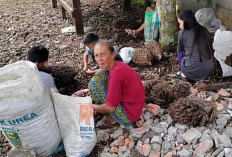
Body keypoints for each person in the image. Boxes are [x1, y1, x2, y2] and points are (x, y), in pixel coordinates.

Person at [88, 41, 145, 128]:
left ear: (113, 54)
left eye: (103, 54)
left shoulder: (116, 74)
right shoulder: (117, 65)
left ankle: (112, 119)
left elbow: (110, 107)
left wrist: (89, 107)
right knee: (101, 74)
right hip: (135, 107)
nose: (99, 59)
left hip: (129, 115)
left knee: (94, 84)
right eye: (96, 55)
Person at [176, 10, 214, 82]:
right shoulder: (204, 30)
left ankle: (184, 74)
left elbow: (180, 54)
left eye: (180, 23)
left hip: (191, 70)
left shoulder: (182, 33)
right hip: (209, 68)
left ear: (185, 21)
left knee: (184, 60)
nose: (179, 26)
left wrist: (181, 69)